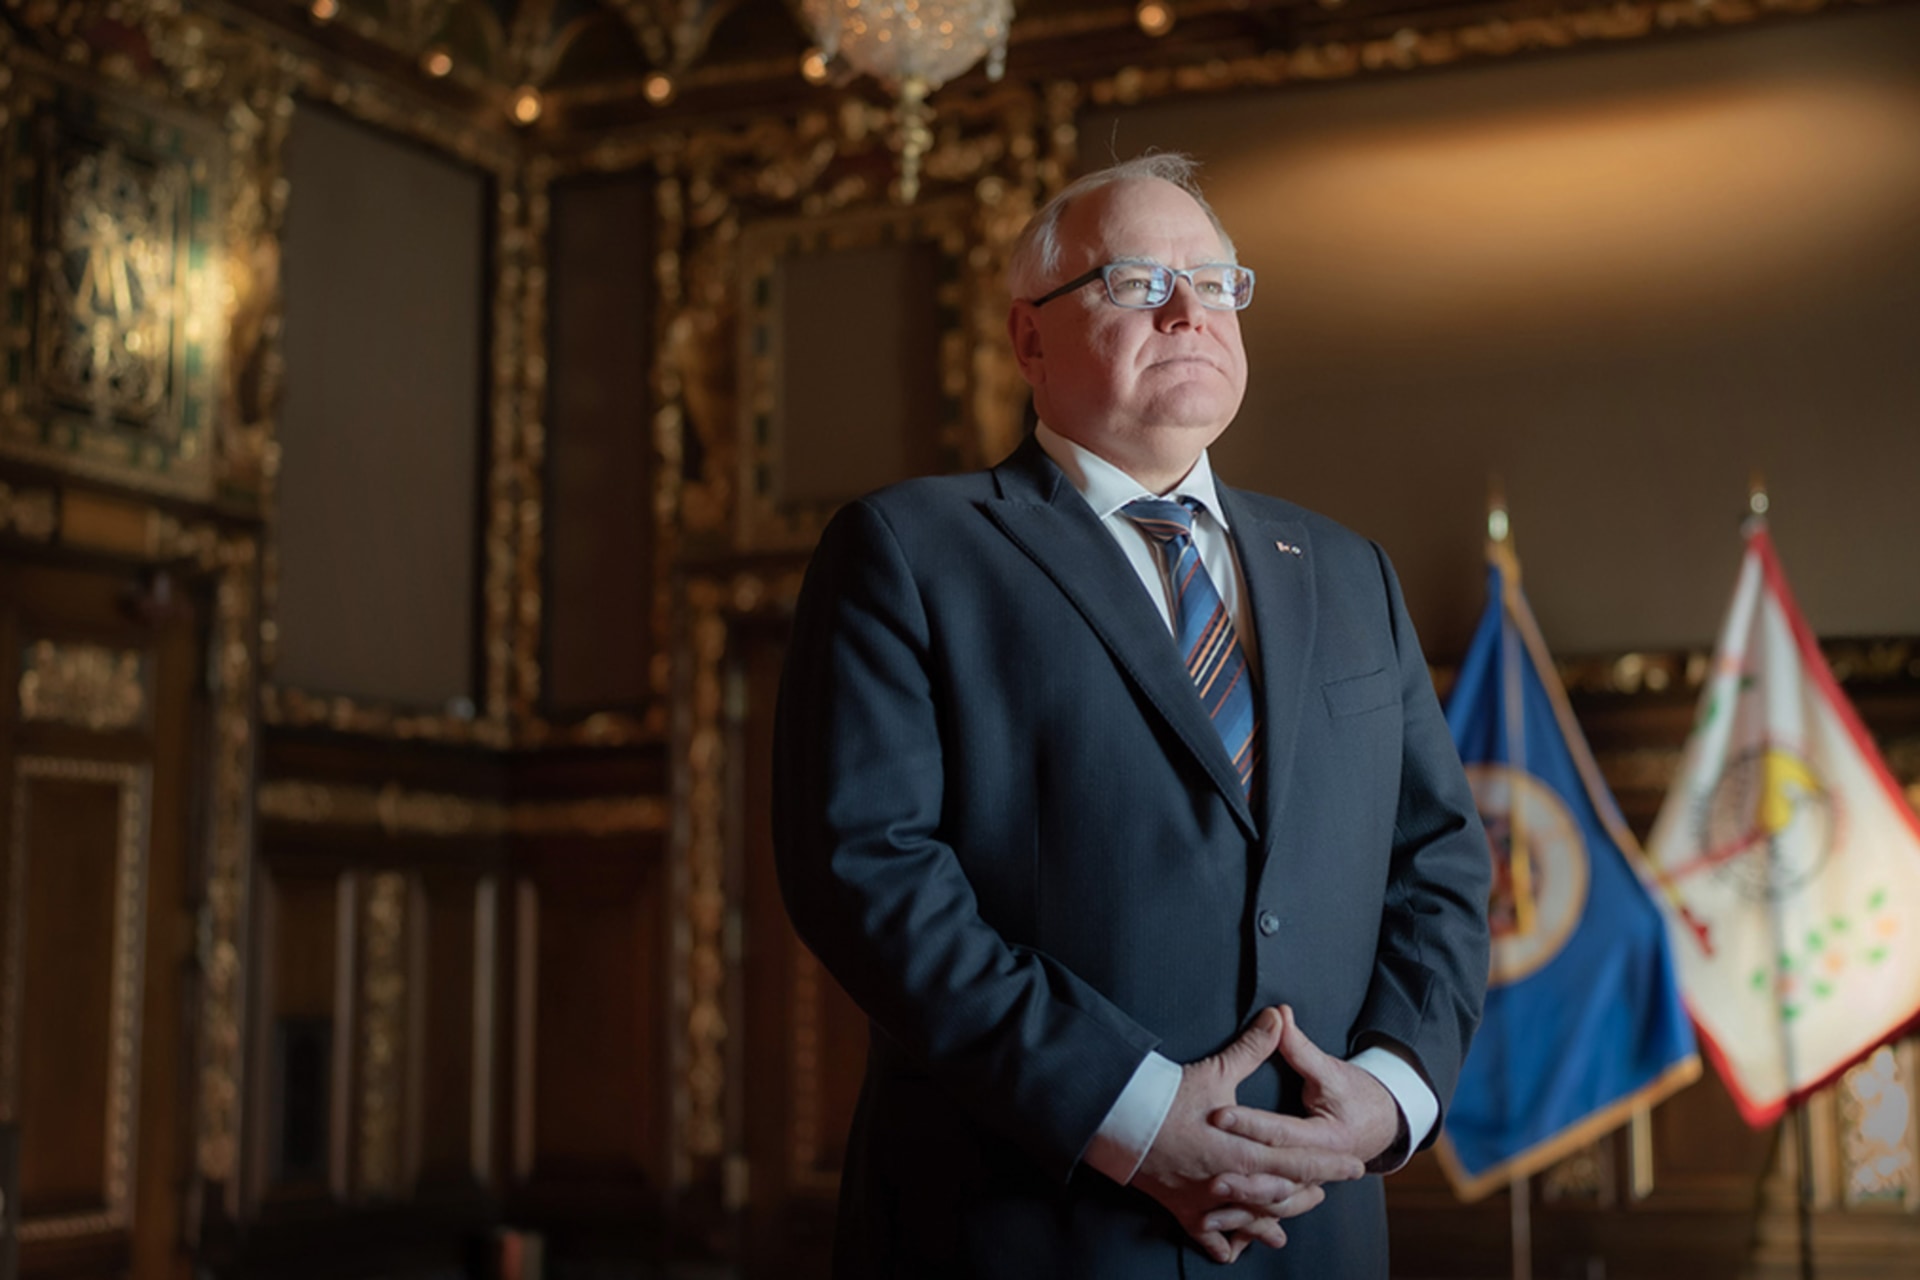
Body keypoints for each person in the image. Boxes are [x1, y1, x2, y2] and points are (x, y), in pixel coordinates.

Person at [772, 153, 1490, 1278]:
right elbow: (865, 872)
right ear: (1028, 340)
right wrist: (1136, 1110)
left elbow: (1440, 860)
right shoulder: (910, 552)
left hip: (1316, 1229)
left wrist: (1392, 1090)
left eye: (1217, 281)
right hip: (1026, 1224)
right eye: (1137, 280)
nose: (1189, 309)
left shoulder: (1351, 573)